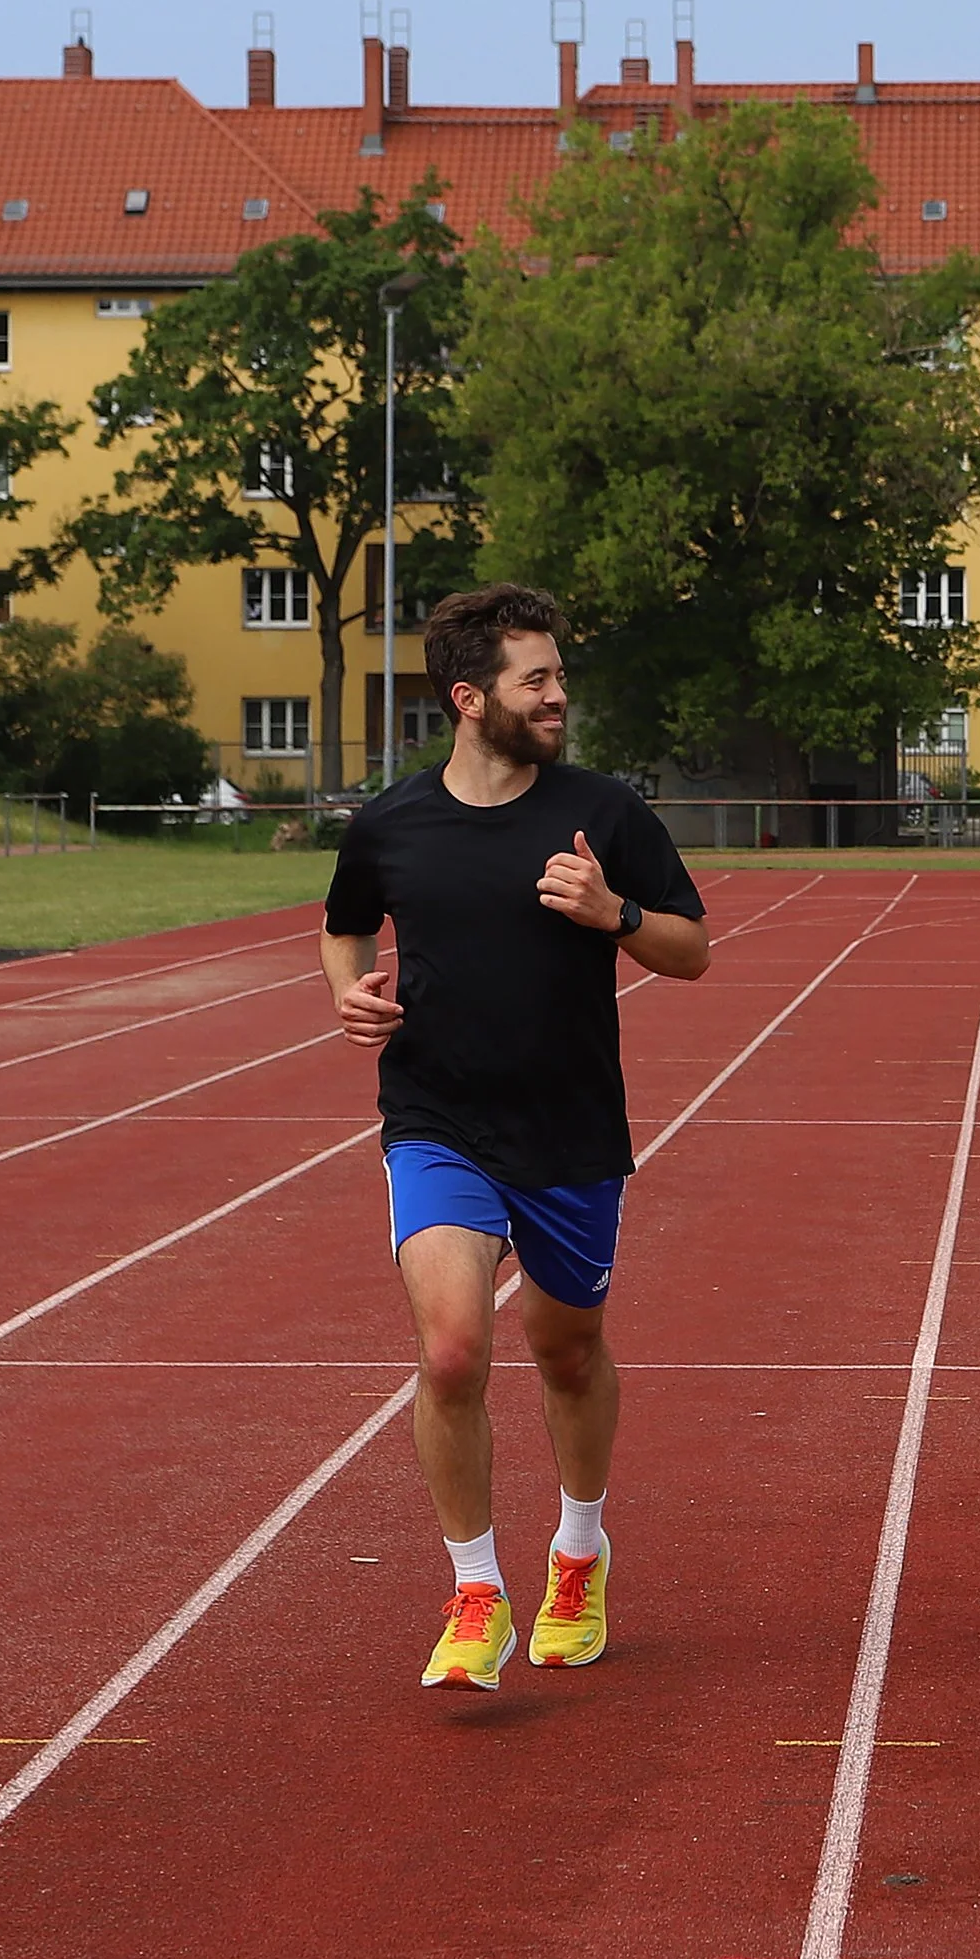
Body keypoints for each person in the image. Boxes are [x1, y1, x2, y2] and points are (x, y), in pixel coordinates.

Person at [321, 582, 710, 1694]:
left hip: (571, 1127)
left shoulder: (603, 814)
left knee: (566, 1348)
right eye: (534, 679)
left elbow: (692, 950)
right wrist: (352, 995)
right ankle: (476, 1588)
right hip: (436, 1121)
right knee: (450, 1349)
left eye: (557, 676)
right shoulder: (390, 824)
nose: (557, 694)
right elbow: (343, 927)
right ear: (467, 697)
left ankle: (578, 1552)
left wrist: (614, 914)